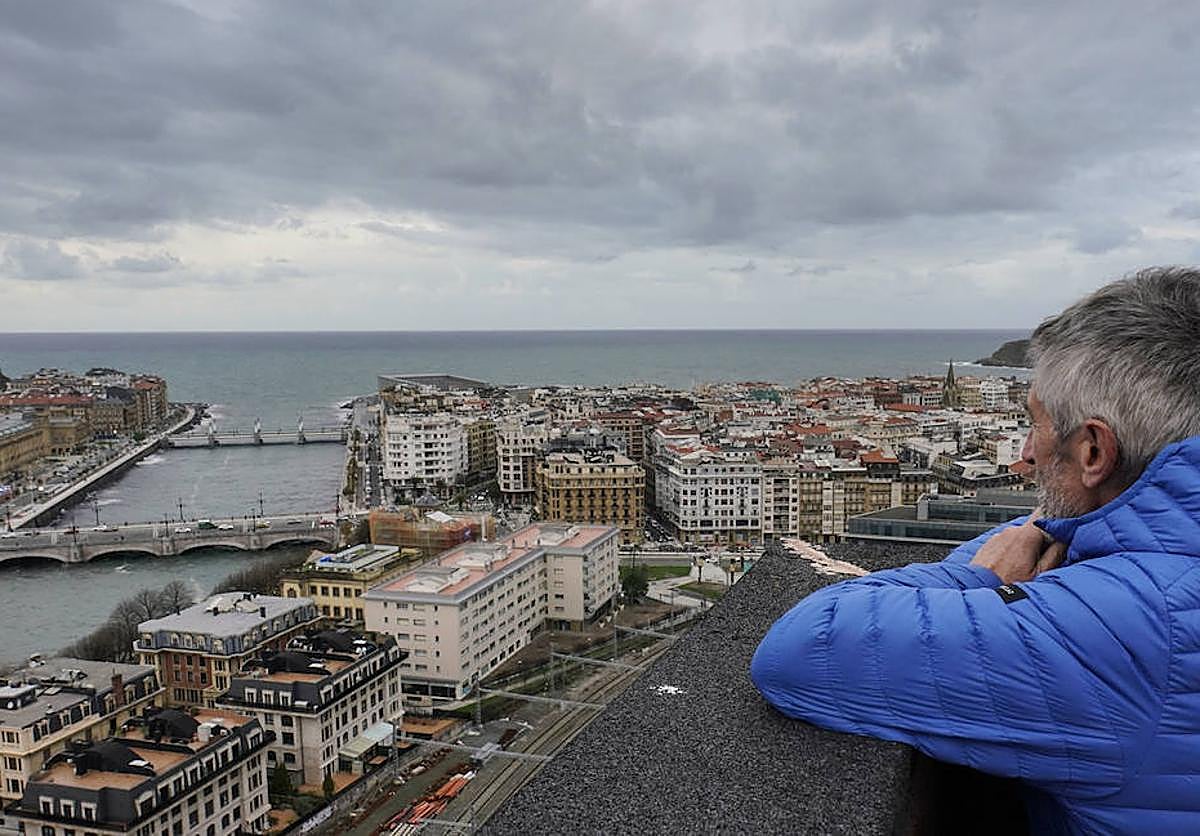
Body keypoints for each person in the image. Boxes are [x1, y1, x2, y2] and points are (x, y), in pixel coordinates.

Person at [751, 267, 1200, 835]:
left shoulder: (1126, 625)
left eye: (1036, 426)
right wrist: (1060, 516)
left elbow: (800, 651)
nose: (1025, 455)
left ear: (1093, 451)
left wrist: (982, 577)